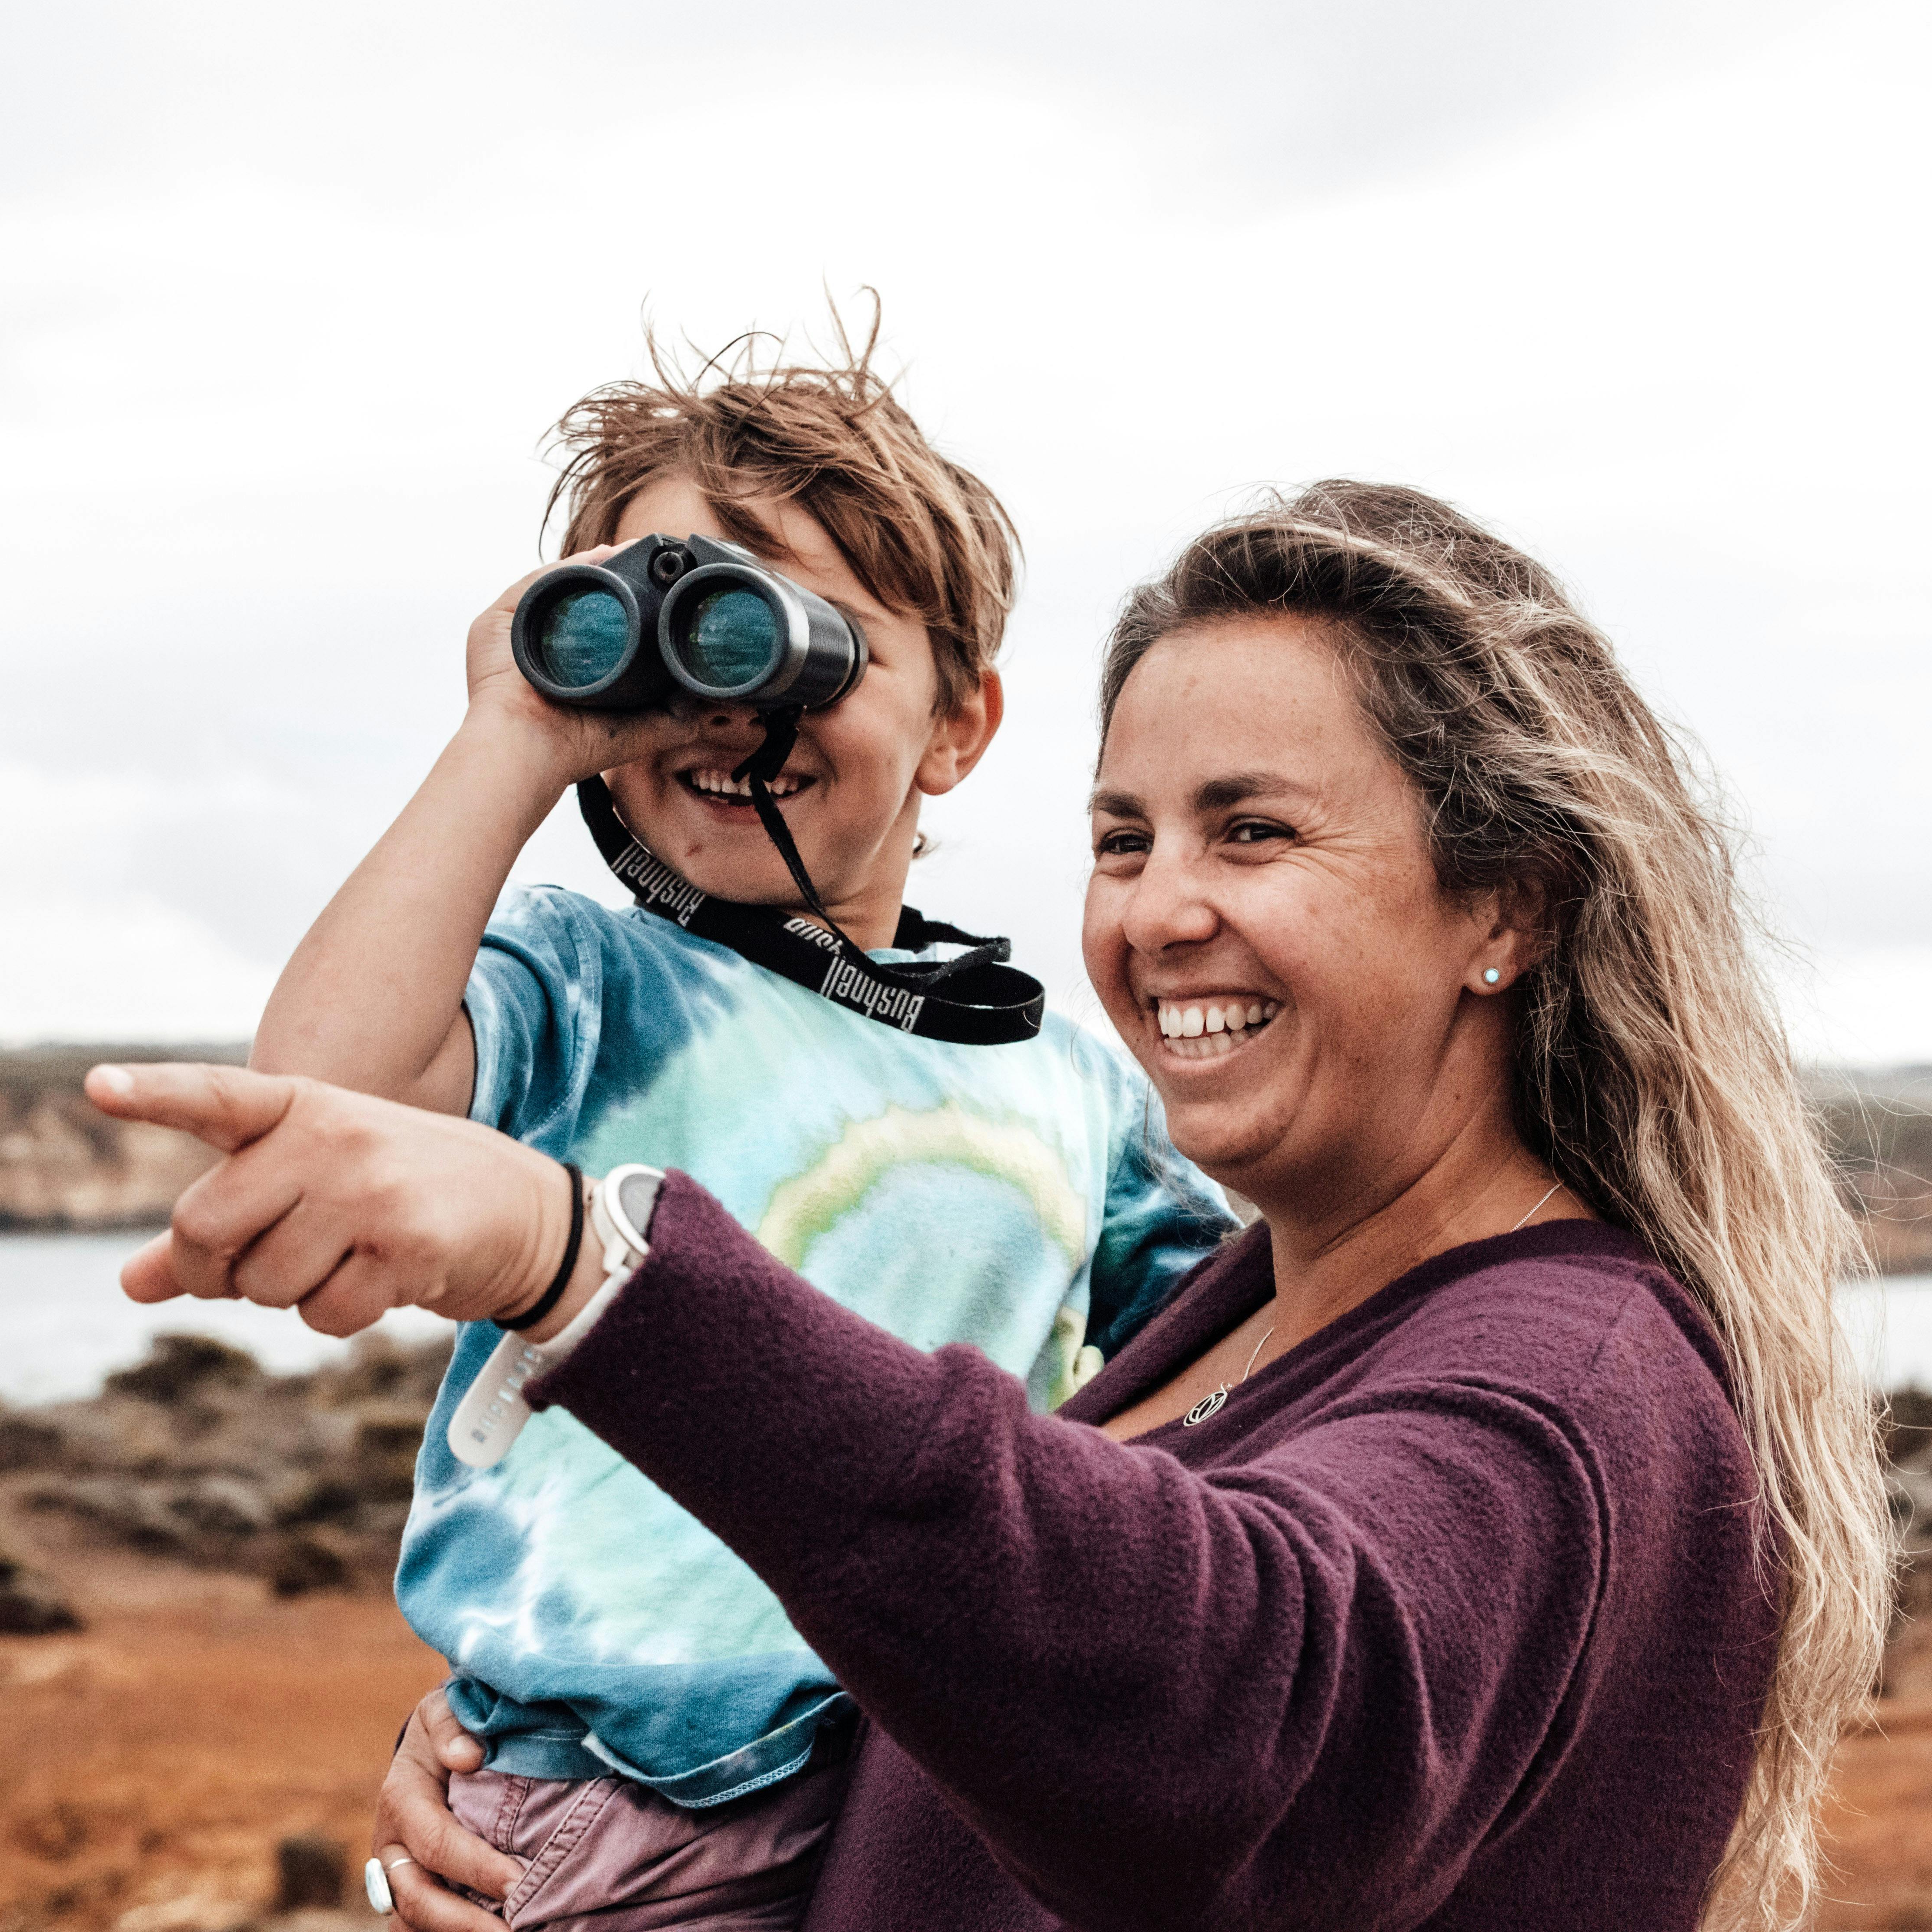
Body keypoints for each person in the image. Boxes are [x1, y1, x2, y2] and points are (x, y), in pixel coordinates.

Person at [92, 481, 1894, 1931]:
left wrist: (593, 1268)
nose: (1157, 912)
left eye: (1252, 831)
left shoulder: (1565, 1382)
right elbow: (999, 1615)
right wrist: (568, 1729)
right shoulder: (1262, 1307)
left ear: (1507, 905)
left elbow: (1240, 1724)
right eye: (1123, 840)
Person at [242, 334, 1235, 1926]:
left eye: (797, 640)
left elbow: (1241, 1358)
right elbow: (326, 1109)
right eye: (669, 637)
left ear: (959, 725)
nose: (725, 699)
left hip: (946, 1782)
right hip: (622, 1797)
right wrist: (515, 730)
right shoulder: (593, 983)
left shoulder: (1064, 1076)